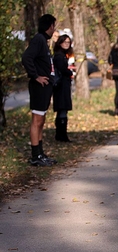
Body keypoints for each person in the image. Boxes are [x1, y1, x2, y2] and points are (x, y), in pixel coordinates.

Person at [22, 14, 57, 167]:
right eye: (54, 26)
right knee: (37, 120)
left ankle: (41, 153)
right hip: (38, 86)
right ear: (49, 26)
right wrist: (36, 76)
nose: (54, 29)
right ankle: (35, 155)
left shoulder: (43, 41)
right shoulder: (38, 39)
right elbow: (26, 57)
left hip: (45, 87)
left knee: (41, 120)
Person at [53, 34, 74, 142]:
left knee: (63, 109)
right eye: (65, 42)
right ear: (60, 43)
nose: (67, 44)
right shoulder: (59, 56)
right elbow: (61, 69)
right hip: (61, 86)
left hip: (63, 85)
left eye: (68, 42)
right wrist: (69, 72)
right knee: (62, 109)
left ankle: (62, 134)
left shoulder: (63, 55)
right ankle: (61, 135)